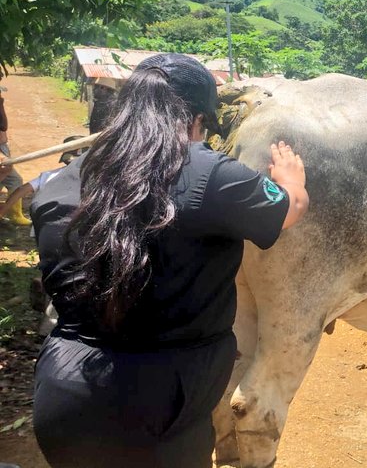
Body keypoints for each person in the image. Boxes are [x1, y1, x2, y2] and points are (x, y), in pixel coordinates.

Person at [29, 53, 309, 468]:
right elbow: (290, 209)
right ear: (196, 119)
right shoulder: (214, 176)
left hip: (62, 391)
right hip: (160, 407)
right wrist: (291, 180)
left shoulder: (56, 182)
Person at [0, 137, 84, 223]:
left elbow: (21, 190)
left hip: (47, 223)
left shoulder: (50, 175)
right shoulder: (91, 179)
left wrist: (3, 211)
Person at [0, 86, 30, 225]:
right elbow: (3, 125)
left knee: (10, 180)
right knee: (12, 178)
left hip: (2, 146)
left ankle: (14, 214)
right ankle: (14, 214)